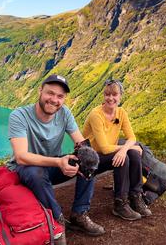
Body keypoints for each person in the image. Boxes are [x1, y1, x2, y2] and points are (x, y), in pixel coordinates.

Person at [7, 74, 105, 240]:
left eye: (60, 96)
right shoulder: (19, 115)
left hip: (52, 166)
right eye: (50, 93)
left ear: (64, 99)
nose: (54, 99)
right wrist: (59, 162)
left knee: (88, 161)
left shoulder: (64, 113)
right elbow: (21, 157)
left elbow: (80, 141)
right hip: (26, 170)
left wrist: (87, 157)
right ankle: (57, 219)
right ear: (40, 91)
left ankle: (79, 214)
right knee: (35, 172)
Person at [82, 79, 151, 220]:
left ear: (120, 96)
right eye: (107, 94)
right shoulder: (96, 115)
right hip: (90, 156)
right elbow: (104, 148)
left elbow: (132, 137)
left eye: (114, 94)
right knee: (124, 156)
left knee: (133, 153)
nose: (110, 98)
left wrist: (126, 148)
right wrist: (127, 148)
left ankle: (135, 196)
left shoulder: (121, 113)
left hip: (107, 152)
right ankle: (120, 203)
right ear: (103, 95)